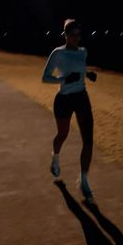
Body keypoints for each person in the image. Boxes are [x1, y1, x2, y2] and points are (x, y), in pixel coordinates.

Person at [42, 19, 97, 201]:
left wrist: (87, 74)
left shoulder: (83, 52)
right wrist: (64, 80)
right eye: (72, 35)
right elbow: (45, 78)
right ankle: (55, 158)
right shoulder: (58, 53)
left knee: (88, 140)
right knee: (62, 135)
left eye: (78, 35)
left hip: (81, 97)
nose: (76, 38)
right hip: (64, 99)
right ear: (65, 35)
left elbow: (79, 70)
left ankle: (84, 180)